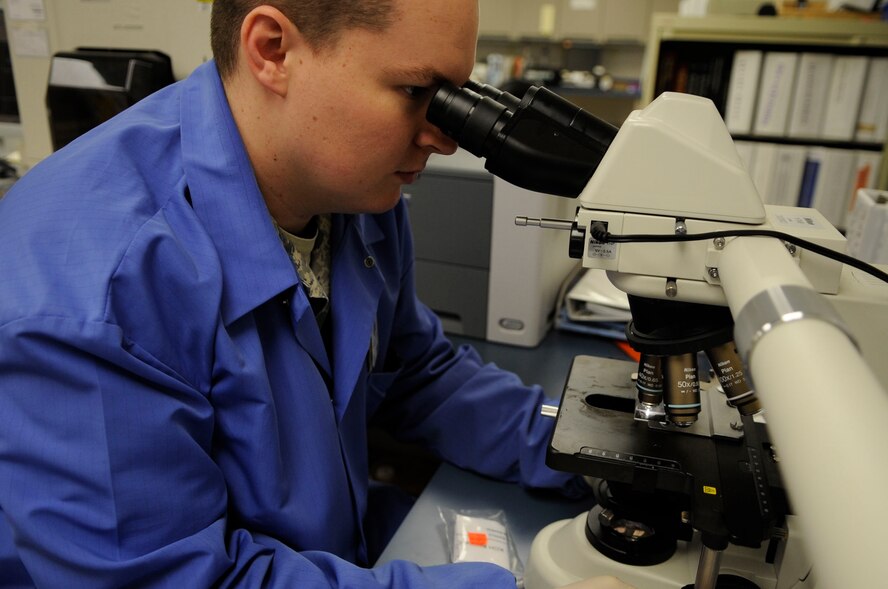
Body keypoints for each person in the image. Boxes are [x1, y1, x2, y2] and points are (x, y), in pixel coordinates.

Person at [0, 1, 633, 587]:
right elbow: (180, 579)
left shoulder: (353, 198)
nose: (442, 136)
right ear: (273, 50)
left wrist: (593, 451)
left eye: (454, 97)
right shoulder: (101, 293)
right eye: (417, 91)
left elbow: (416, 374)